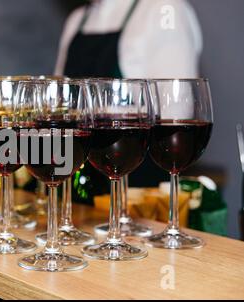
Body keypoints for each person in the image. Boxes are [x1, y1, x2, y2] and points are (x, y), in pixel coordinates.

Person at [54, 0, 203, 198]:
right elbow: (58, 105)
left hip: (135, 195)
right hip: (75, 193)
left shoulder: (165, 9)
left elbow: (175, 118)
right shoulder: (76, 20)